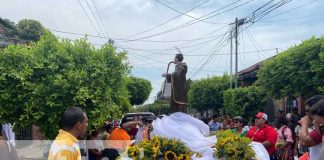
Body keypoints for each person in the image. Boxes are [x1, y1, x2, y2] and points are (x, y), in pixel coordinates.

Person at [298, 95, 324, 160]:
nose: (306, 113)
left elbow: (304, 142)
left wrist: (304, 123)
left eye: (308, 110)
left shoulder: (321, 127)